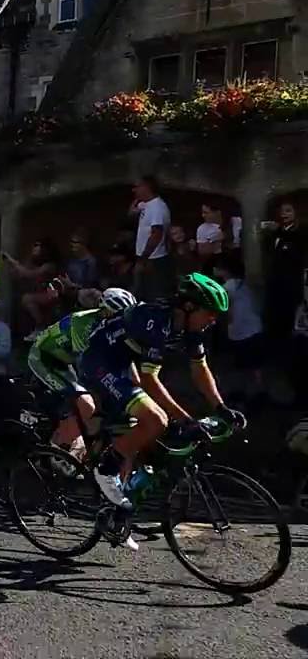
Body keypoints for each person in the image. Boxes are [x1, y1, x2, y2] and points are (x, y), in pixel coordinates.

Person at [80, 273, 243, 510]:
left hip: (125, 366)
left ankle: (117, 511)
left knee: (150, 431)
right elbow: (149, 380)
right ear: (188, 307)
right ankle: (105, 470)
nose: (213, 320)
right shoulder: (155, 321)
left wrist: (221, 408)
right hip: (99, 364)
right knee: (156, 419)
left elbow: (200, 369)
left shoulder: (190, 328)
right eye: (209, 313)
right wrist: (186, 419)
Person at [31, 287, 138, 456]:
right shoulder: (82, 324)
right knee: (87, 404)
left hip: (68, 360)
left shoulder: (119, 327)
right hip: (45, 359)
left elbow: (126, 361)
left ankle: (85, 444)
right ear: (104, 312)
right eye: (117, 316)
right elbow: (86, 370)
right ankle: (57, 450)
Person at [214, 256, 264, 402]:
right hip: (254, 327)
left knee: (243, 364)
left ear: (225, 271)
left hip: (241, 331)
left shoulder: (227, 288)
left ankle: (248, 394)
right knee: (255, 364)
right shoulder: (245, 284)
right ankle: (259, 389)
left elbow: (225, 309)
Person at [262, 202, 306, 357]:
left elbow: (297, 254)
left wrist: (279, 232)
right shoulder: (277, 233)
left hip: (291, 283)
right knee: (276, 317)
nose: (284, 214)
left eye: (288, 211)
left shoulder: (300, 232)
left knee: (290, 319)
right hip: (276, 282)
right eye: (282, 211)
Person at [5, 239, 59, 339]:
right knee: (21, 300)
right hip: (39, 293)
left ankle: (41, 326)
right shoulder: (33, 261)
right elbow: (21, 274)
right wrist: (14, 268)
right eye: (34, 246)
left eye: (38, 247)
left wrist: (14, 263)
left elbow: (30, 274)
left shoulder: (49, 265)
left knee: (26, 298)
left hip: (52, 293)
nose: (35, 249)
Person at [130, 174, 172, 301]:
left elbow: (156, 234)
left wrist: (143, 259)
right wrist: (137, 200)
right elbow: (131, 213)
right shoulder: (146, 205)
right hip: (145, 258)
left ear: (146, 187)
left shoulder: (157, 207)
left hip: (153, 259)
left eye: (137, 187)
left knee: (152, 295)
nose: (134, 190)